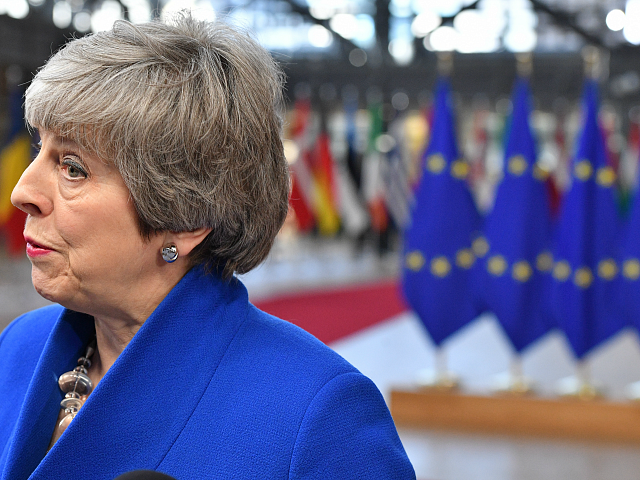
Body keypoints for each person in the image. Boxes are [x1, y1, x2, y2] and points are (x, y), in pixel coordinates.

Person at [0, 13, 415, 480]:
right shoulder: (20, 347)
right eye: (39, 149)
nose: (22, 191)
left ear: (184, 216)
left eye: (73, 167)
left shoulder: (319, 421)